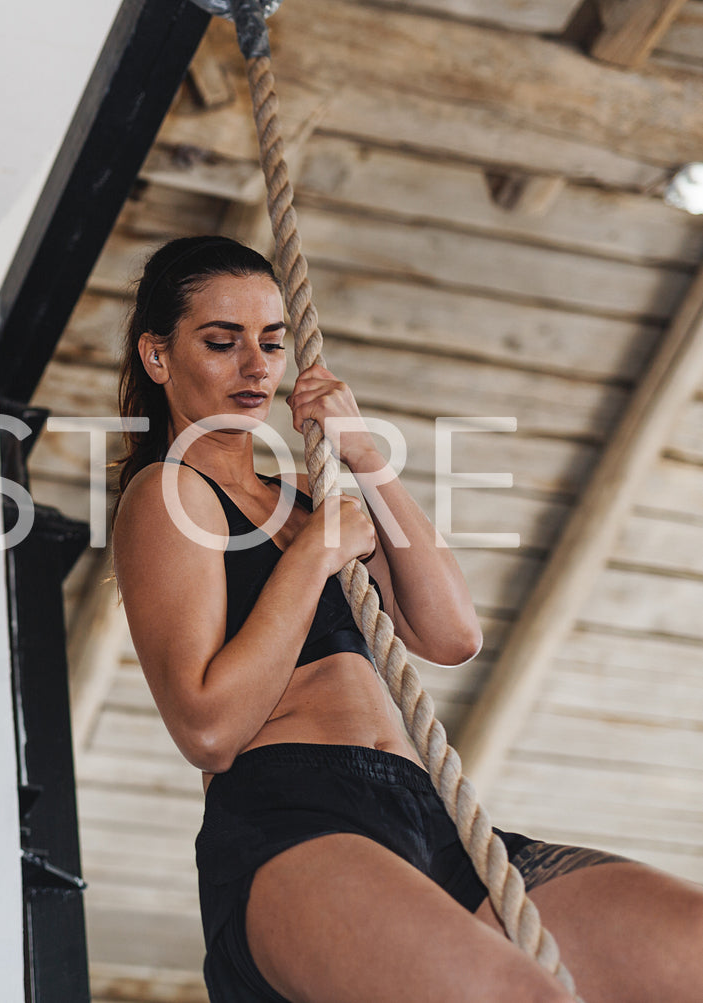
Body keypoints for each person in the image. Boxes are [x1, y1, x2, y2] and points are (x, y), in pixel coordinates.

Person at [107, 235, 703, 1003]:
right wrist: (311, 556)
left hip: (430, 815)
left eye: (271, 342)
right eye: (221, 342)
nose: (256, 366)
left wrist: (364, 456)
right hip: (293, 820)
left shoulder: (307, 498)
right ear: (158, 357)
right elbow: (208, 728)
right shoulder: (167, 492)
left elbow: (451, 633)